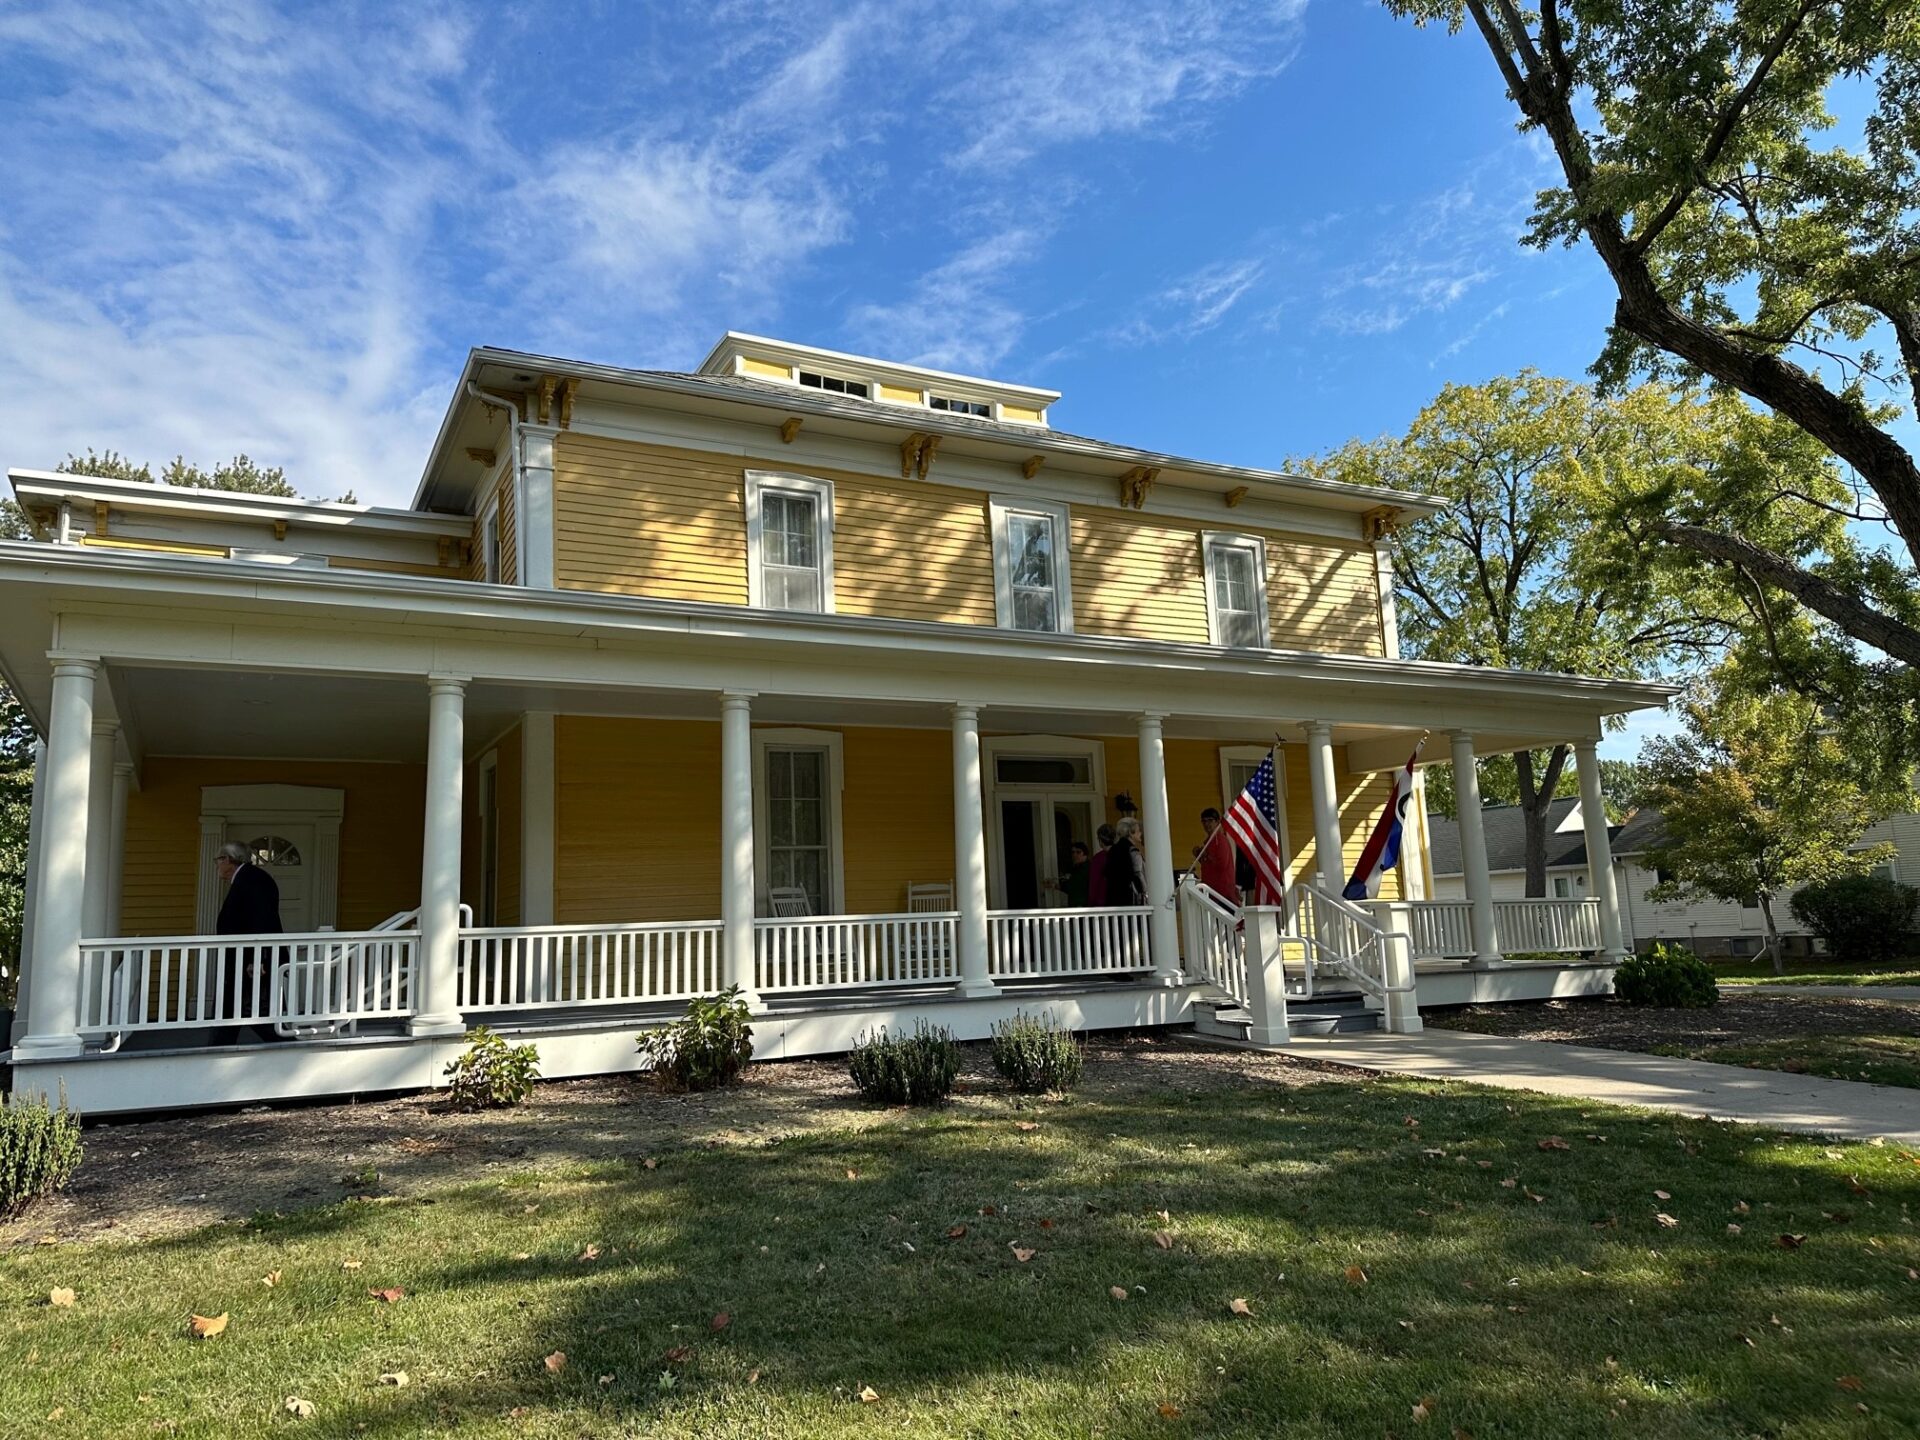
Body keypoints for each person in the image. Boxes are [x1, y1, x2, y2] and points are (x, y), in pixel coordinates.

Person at [215, 841, 283, 1042]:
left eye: (217, 860)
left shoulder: (253, 879)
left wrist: (258, 958)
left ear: (227, 860)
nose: (217, 866)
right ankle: (218, 1049)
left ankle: (285, 1044)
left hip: (250, 961)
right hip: (243, 959)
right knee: (234, 1011)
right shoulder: (246, 878)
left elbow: (262, 919)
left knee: (251, 1011)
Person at [1192, 806, 1238, 898]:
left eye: (1210, 820)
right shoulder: (1209, 842)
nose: (1207, 824)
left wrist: (1207, 855)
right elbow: (1209, 865)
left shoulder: (1220, 840)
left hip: (1223, 893)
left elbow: (1222, 865)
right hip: (1210, 892)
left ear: (1217, 822)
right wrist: (1199, 855)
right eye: (1204, 821)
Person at [1104, 817, 1147, 906]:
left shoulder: (1113, 849)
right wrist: (1145, 893)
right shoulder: (1132, 851)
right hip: (1130, 901)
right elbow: (1138, 875)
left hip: (1114, 900)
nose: (1140, 833)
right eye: (1138, 831)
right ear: (1131, 833)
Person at [1087, 823, 1117, 906]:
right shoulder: (1121, 854)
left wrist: (1091, 903)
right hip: (1120, 900)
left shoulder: (1098, 858)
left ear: (1100, 840)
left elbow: (1094, 882)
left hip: (1102, 902)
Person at [1062, 840, 1091, 906]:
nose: (1075, 855)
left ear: (1085, 854)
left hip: (1083, 906)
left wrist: (1056, 885)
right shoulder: (1076, 868)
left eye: (1078, 852)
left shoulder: (1087, 868)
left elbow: (1073, 887)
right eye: (1073, 852)